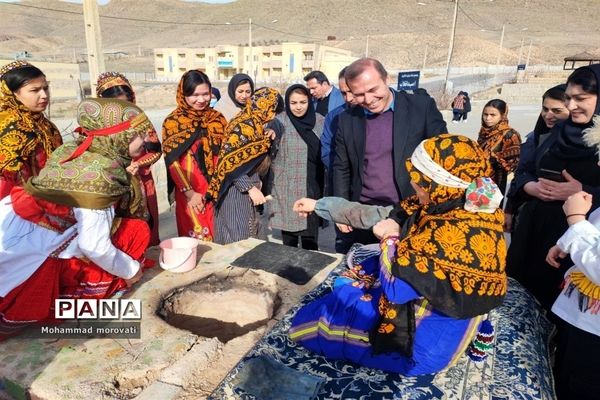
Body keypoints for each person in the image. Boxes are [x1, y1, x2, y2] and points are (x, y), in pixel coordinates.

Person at [290, 134, 506, 376]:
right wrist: (321, 205)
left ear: (437, 182)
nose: (413, 185)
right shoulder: (458, 205)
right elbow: (381, 215)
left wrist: (390, 238)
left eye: (419, 181)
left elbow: (397, 287)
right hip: (434, 316)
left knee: (317, 321)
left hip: (422, 348)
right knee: (347, 290)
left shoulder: (452, 233)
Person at [0, 98, 154, 339]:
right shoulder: (101, 176)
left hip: (16, 231)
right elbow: (94, 246)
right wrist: (131, 270)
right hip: (27, 254)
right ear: (119, 137)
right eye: (139, 134)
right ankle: (79, 296)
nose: (145, 140)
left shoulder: (70, 149)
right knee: (136, 232)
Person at [506, 64, 600, 311]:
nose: (571, 106)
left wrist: (583, 190)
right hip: (533, 230)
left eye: (581, 99)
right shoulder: (560, 131)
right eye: (568, 98)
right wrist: (530, 186)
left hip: (577, 239)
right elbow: (526, 169)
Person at [332, 58, 447, 253]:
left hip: (410, 212)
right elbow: (341, 167)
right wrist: (341, 210)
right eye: (359, 94)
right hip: (364, 212)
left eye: (373, 90)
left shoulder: (421, 107)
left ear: (387, 79)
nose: (368, 100)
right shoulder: (347, 120)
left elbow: (444, 156)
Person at [545, 188, 600, 400]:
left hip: (594, 337)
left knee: (579, 387)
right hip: (584, 320)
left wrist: (576, 220)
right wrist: (569, 241)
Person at [207, 87, 280, 244]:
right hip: (234, 192)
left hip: (245, 190)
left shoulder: (254, 124)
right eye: (272, 112)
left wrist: (269, 136)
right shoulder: (242, 126)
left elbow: (251, 158)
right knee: (238, 238)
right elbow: (229, 163)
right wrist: (250, 188)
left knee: (245, 234)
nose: (273, 116)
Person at [97, 71, 162, 246]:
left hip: (141, 178)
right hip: (111, 181)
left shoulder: (140, 120)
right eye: (116, 105)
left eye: (125, 104)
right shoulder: (96, 125)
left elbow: (156, 149)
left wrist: (138, 164)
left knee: (146, 224)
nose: (122, 111)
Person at [162, 69, 227, 241]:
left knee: (219, 236)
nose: (201, 99)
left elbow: (225, 155)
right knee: (196, 240)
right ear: (183, 95)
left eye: (206, 94)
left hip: (216, 190)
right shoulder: (173, 122)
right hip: (189, 191)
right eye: (194, 95)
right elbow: (172, 161)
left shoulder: (218, 119)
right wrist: (190, 193)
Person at [504, 85, 569, 231]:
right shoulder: (536, 138)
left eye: (557, 111)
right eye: (545, 109)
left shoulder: (585, 143)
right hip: (528, 213)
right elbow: (521, 172)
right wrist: (529, 187)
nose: (548, 115)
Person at [270, 84, 325, 250]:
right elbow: (270, 133)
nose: (299, 107)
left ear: (310, 101)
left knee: (310, 234)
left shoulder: (320, 120)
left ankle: (309, 270)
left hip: (312, 183)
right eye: (293, 103)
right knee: (289, 236)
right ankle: (289, 272)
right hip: (287, 184)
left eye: (303, 102)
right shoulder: (279, 121)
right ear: (288, 102)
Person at [0, 60, 62, 199]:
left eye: (45, 88)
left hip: (50, 199)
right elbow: (5, 183)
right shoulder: (8, 126)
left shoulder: (46, 125)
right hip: (17, 207)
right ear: (11, 93)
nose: (44, 95)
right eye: (35, 90)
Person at [477, 99, 521, 195]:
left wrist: (494, 159)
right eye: (485, 114)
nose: (488, 118)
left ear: (502, 116)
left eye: (493, 115)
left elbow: (514, 163)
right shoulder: (484, 132)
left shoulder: (510, 134)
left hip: (496, 181)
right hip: (477, 178)